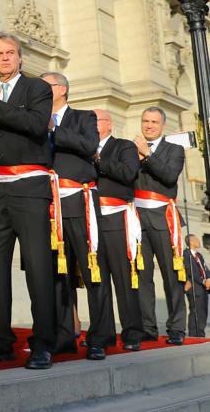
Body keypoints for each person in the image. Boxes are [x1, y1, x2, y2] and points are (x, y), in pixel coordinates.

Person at [0, 32, 56, 370]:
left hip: (29, 186)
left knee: (37, 265)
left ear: (19, 58)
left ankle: (44, 343)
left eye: (10, 53)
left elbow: (35, 126)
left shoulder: (37, 89)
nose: (4, 58)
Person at [40, 72, 113, 360]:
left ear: (61, 89)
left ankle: (100, 336)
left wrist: (53, 129)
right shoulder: (35, 119)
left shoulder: (83, 117)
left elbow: (88, 146)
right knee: (58, 273)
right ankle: (63, 334)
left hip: (79, 199)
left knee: (92, 268)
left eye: (45, 86)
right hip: (49, 204)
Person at [133, 107, 186, 345]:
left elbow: (169, 176)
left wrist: (148, 155)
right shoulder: (130, 149)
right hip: (136, 217)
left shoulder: (174, 149)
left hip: (163, 216)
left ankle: (176, 328)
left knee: (171, 274)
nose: (149, 125)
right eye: (145, 121)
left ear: (162, 125)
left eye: (154, 121)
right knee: (142, 276)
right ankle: (147, 327)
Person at [94, 110, 143, 351]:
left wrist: (99, 160)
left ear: (108, 124)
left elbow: (128, 173)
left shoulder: (123, 146)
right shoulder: (84, 148)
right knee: (98, 279)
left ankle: (132, 332)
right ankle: (103, 334)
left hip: (116, 217)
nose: (91, 126)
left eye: (96, 121)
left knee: (124, 277)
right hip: (92, 219)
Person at [184, 234, 210, 337]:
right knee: (195, 310)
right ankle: (194, 334)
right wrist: (202, 281)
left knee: (203, 311)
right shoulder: (186, 255)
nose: (199, 241)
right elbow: (191, 271)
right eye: (196, 239)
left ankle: (201, 333)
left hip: (203, 287)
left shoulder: (199, 255)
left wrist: (208, 279)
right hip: (195, 287)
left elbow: (206, 269)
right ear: (191, 242)